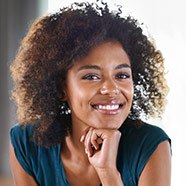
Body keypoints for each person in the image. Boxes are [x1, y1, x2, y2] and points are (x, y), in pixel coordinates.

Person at [9, 1, 171, 186]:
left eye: (122, 75)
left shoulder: (151, 146)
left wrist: (107, 172)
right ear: (62, 88)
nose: (111, 89)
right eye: (91, 76)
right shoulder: (27, 143)